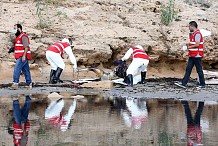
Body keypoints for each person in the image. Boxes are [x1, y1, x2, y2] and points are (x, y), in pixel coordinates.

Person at [175, 21, 206, 89]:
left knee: (199, 70)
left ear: (192, 26)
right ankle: (183, 83)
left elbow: (197, 44)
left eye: (189, 26)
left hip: (197, 55)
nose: (189, 28)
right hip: (192, 55)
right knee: (188, 69)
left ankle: (202, 84)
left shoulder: (197, 34)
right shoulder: (194, 34)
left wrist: (187, 47)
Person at [9, 24, 32, 90]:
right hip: (21, 56)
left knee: (17, 68)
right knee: (25, 70)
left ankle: (15, 83)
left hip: (22, 56)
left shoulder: (23, 36)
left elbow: (26, 47)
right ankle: (29, 83)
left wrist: (24, 56)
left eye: (15, 28)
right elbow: (20, 46)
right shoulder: (19, 37)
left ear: (19, 29)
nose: (14, 30)